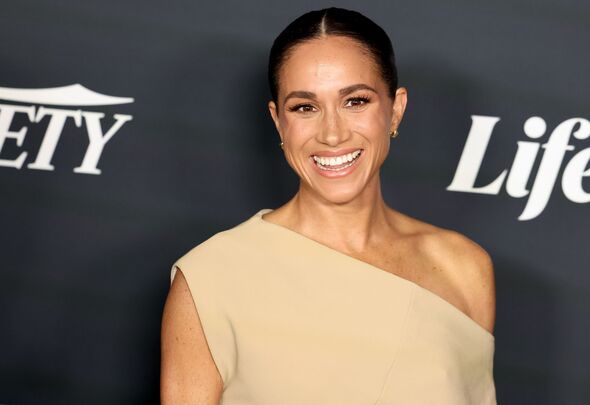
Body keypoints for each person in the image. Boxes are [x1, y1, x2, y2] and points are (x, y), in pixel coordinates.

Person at [161, 7, 497, 404]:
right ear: (277, 121)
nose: (333, 134)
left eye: (355, 101)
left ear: (396, 108)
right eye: (305, 107)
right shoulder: (209, 281)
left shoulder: (463, 267)